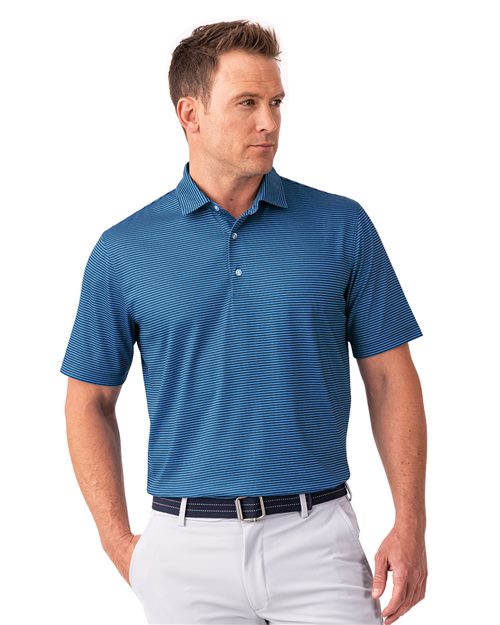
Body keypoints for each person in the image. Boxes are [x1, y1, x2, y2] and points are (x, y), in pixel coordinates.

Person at [60, 19, 428, 625]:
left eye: (276, 102)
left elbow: (391, 377)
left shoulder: (341, 226)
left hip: (318, 539)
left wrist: (410, 523)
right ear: (190, 114)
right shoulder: (124, 249)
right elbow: (88, 402)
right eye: (247, 103)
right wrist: (118, 542)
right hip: (185, 547)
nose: (269, 122)